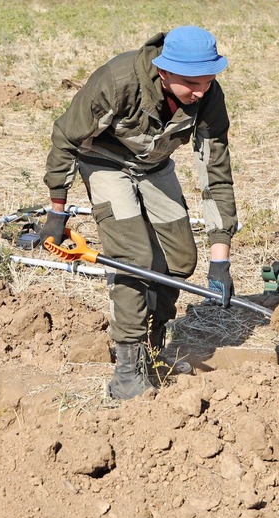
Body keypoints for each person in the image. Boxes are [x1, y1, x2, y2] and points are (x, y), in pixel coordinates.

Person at [39, 26, 240, 399]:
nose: (200, 91)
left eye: (208, 80)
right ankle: (128, 370)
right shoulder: (117, 81)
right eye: (191, 82)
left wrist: (220, 261)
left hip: (154, 165)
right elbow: (66, 136)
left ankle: (153, 341)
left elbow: (216, 171)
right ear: (164, 72)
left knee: (180, 258)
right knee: (134, 257)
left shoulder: (208, 95)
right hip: (103, 161)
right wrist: (57, 210)